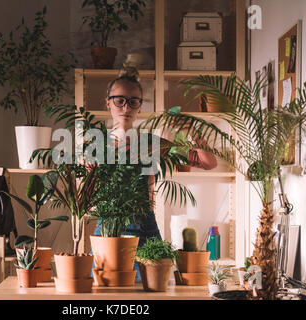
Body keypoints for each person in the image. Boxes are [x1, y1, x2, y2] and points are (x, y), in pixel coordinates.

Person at [92, 67, 217, 279]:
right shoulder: (95, 146)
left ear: (140, 105)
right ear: (108, 102)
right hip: (107, 231)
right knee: (106, 294)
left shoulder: (152, 144)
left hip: (145, 230)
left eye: (133, 101)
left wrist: (192, 131)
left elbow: (208, 162)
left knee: (153, 293)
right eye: (119, 100)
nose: (125, 107)